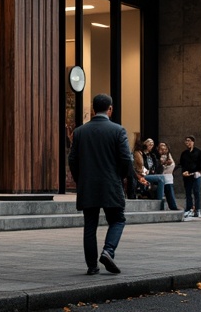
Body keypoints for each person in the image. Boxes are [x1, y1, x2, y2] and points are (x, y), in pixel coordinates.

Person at [68, 94, 133, 276]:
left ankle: (91, 266)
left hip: (88, 185)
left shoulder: (80, 132)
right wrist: (122, 177)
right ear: (110, 109)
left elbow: (72, 159)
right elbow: (126, 159)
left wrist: (81, 179)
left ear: (93, 109)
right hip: (111, 184)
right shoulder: (118, 130)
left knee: (90, 225)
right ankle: (108, 251)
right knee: (118, 219)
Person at [132, 136, 167, 203]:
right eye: (150, 144)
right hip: (142, 174)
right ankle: (160, 200)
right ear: (145, 144)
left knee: (163, 178)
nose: (151, 145)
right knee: (161, 178)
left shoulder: (152, 155)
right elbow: (139, 166)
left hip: (150, 173)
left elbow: (156, 165)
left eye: (152, 144)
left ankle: (160, 198)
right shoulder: (140, 153)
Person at [178, 135, 201, 218]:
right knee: (188, 192)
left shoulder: (198, 152)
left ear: (193, 142)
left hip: (196, 174)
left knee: (196, 192)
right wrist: (183, 172)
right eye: (186, 141)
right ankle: (189, 208)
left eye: (189, 141)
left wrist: (198, 171)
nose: (187, 142)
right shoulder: (184, 153)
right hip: (187, 175)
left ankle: (197, 209)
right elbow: (182, 164)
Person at [155, 140, 180, 211]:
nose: (163, 150)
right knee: (168, 191)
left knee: (170, 191)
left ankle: (173, 205)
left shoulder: (168, 155)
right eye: (161, 149)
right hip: (162, 176)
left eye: (165, 148)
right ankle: (173, 206)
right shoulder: (157, 157)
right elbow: (158, 166)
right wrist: (164, 163)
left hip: (169, 176)